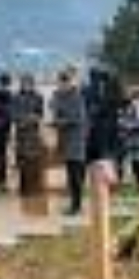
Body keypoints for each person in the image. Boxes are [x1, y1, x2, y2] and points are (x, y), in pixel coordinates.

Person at [51, 68, 88, 216]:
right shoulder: (60, 96)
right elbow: (55, 109)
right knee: (70, 174)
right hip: (66, 140)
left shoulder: (76, 96)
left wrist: (58, 122)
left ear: (68, 82)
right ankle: (74, 204)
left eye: (63, 82)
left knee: (76, 175)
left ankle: (77, 205)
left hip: (76, 139)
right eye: (60, 82)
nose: (61, 85)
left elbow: (77, 118)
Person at [12, 74, 46, 198]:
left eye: (28, 83)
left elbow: (39, 114)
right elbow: (13, 115)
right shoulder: (16, 97)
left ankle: (34, 188)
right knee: (22, 162)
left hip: (33, 133)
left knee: (34, 161)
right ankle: (23, 188)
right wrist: (26, 119)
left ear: (32, 84)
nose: (26, 85)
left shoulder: (38, 97)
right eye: (24, 83)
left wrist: (31, 119)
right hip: (21, 133)